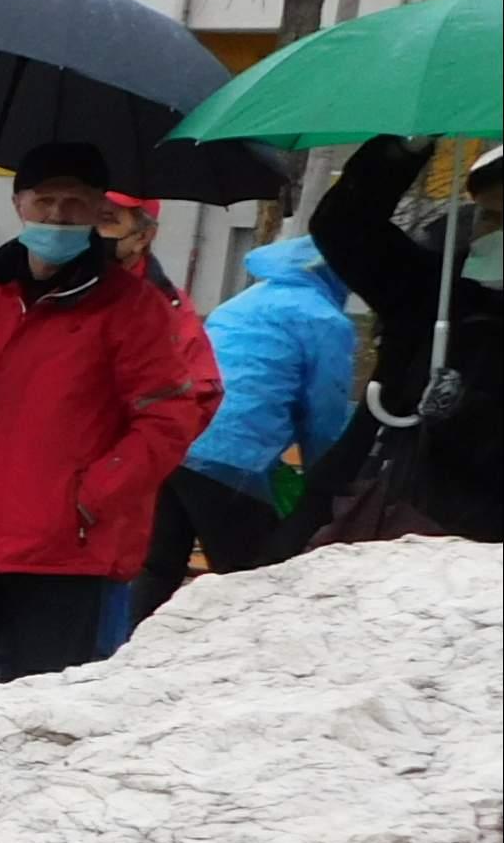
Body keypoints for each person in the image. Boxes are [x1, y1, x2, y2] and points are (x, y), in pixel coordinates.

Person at [0, 140, 207, 681]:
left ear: (96, 211)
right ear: (19, 203)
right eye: (45, 201)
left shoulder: (132, 309)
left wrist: (92, 495)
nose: (58, 215)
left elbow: (170, 418)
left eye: (76, 203)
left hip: (62, 555)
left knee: (34, 726)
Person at [135, 234, 355, 622]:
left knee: (158, 566)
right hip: (234, 455)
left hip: (177, 437)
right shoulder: (325, 319)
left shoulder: (246, 300)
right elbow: (324, 410)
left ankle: (128, 654)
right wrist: (327, 478)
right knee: (250, 578)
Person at [296, 136, 500, 545]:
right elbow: (345, 226)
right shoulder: (438, 288)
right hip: (370, 512)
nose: (491, 234)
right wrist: (405, 149)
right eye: (488, 217)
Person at [88, 192, 222, 653]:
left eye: (107, 219)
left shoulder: (166, 310)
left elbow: (194, 402)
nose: (91, 230)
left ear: (143, 235)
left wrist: (111, 479)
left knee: (89, 658)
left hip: (105, 516)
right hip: (21, 515)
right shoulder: (41, 286)